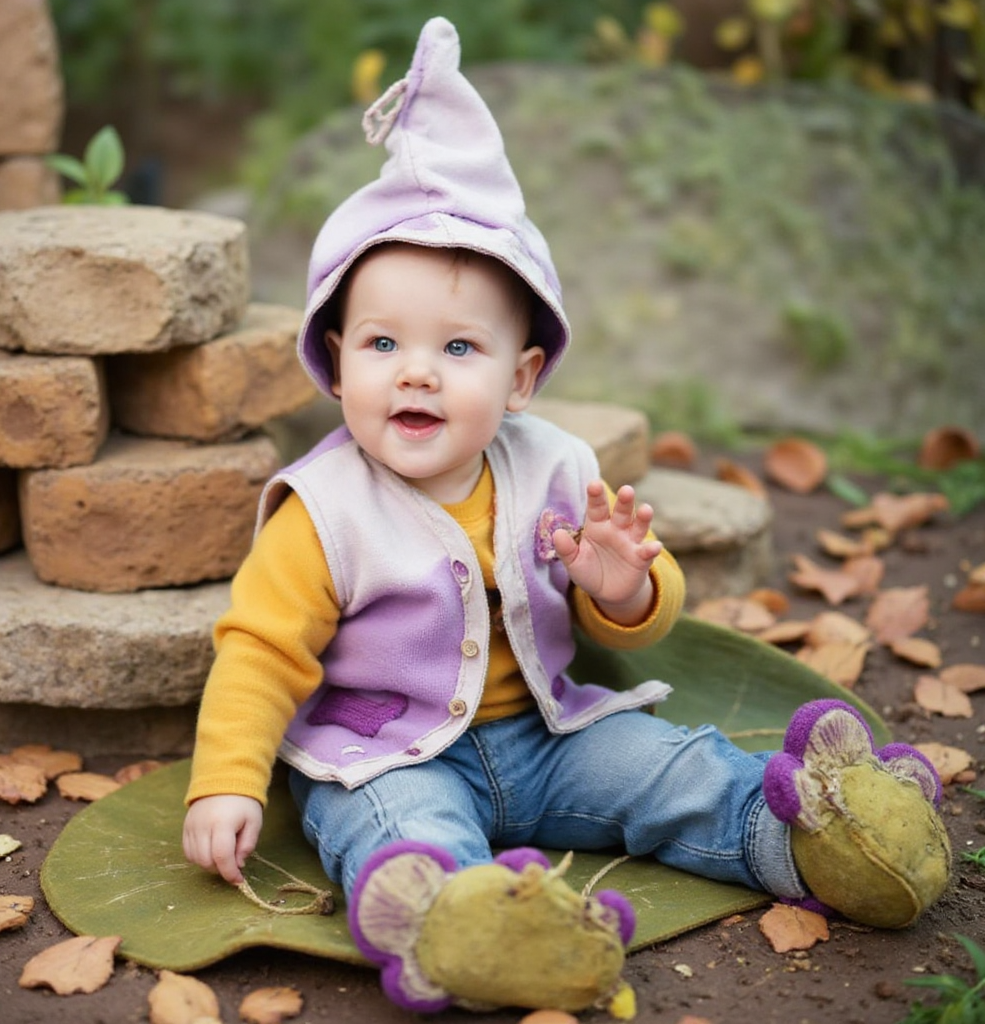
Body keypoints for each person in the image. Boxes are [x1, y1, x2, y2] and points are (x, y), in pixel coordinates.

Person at [183, 17, 951, 1014]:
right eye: (381, 343)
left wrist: (621, 584)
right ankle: (469, 918)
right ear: (336, 366)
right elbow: (259, 652)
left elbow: (635, 607)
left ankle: (808, 836)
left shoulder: (554, 469)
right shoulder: (323, 509)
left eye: (458, 348)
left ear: (522, 377)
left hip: (551, 734)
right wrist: (226, 782)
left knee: (666, 764)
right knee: (391, 821)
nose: (415, 368)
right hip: (389, 750)